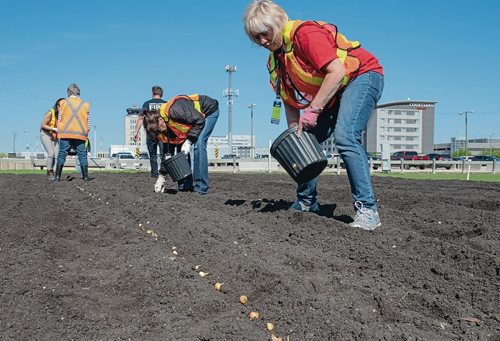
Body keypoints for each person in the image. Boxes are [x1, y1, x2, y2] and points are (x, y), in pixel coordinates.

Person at [243, 0, 384, 230]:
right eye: (256, 38)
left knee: (346, 136)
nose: (263, 41)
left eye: (265, 33)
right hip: (333, 91)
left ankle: (367, 210)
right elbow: (289, 101)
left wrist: (314, 109)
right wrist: (295, 133)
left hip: (361, 76)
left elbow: (336, 71)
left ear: (277, 23)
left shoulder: (304, 34)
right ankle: (307, 202)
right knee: (305, 142)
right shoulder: (275, 61)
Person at [143, 94, 219, 194]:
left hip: (208, 111)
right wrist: (161, 176)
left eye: (158, 129)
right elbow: (167, 154)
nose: (159, 133)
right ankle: (185, 185)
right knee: (182, 150)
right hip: (194, 119)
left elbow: (200, 120)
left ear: (161, 120)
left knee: (198, 145)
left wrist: (188, 141)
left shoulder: (175, 110)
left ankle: (201, 187)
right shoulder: (162, 129)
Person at [54, 83, 91, 181]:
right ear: (79, 93)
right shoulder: (85, 105)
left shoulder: (63, 103)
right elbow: (87, 121)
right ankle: (85, 176)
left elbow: (60, 119)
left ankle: (57, 177)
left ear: (69, 93)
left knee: (62, 153)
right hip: (81, 134)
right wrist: (87, 133)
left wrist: (58, 132)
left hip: (65, 133)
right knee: (82, 154)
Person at [133, 86, 166, 178]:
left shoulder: (147, 104)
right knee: (164, 154)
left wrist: (136, 132)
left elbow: (141, 118)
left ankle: (154, 174)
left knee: (153, 154)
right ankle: (163, 173)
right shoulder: (166, 104)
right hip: (163, 133)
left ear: (153, 93)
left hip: (150, 132)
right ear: (161, 94)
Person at [40, 98, 64, 179]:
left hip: (55, 136)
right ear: (58, 106)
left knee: (57, 155)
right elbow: (43, 125)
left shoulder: (63, 116)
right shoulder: (50, 113)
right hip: (45, 134)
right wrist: (54, 129)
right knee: (51, 154)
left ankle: (54, 173)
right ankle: (49, 171)